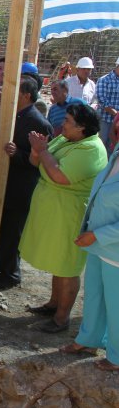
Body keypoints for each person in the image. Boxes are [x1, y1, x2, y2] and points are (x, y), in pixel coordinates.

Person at [19, 103, 107, 333]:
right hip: (53, 210)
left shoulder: (91, 149)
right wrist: (37, 149)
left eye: (68, 121)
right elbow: (35, 162)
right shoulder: (67, 139)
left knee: (68, 265)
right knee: (58, 261)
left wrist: (44, 151)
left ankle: (62, 317)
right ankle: (53, 304)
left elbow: (60, 176)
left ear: (82, 128)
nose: (62, 124)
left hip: (70, 213)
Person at [59, 145, 119, 372]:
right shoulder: (116, 153)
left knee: (116, 305)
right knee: (93, 295)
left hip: (113, 248)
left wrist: (96, 234)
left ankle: (117, 356)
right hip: (98, 245)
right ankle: (89, 340)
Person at [0, 76, 53, 289]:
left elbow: (40, 160)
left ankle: (10, 273)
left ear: (26, 95)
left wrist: (17, 154)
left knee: (12, 231)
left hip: (20, 186)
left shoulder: (38, 122)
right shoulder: (14, 115)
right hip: (6, 183)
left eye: (14, 92)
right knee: (2, 228)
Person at [94, 57, 119, 150]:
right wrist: (116, 114)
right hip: (105, 120)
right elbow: (102, 100)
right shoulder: (104, 80)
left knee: (114, 147)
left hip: (117, 122)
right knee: (101, 144)